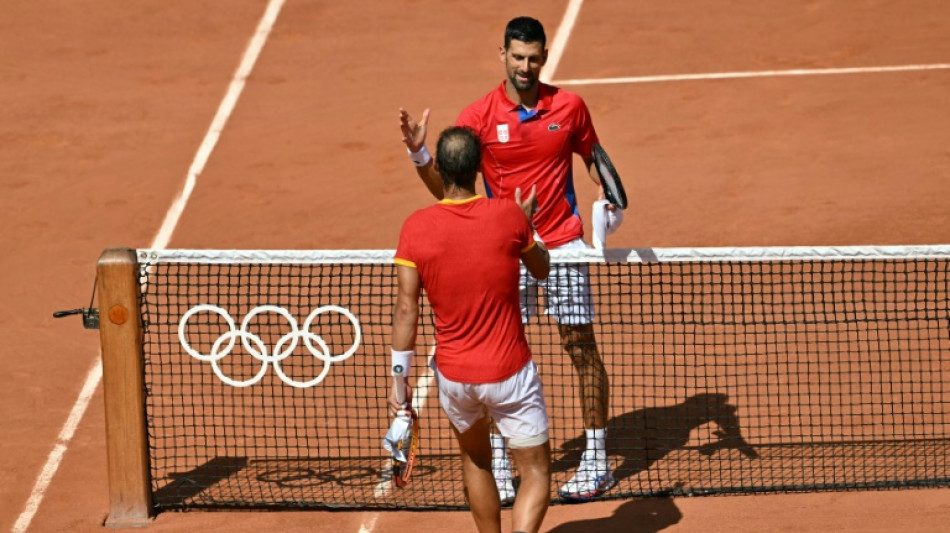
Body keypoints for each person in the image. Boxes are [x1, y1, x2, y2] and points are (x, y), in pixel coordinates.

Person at [397, 16, 615, 502]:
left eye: (534, 58)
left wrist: (605, 186)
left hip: (562, 245)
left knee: (581, 348)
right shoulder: (478, 116)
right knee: (494, 353)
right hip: (502, 249)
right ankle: (498, 465)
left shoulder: (570, 107)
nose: (525, 66)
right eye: (517, 57)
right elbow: (451, 193)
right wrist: (419, 156)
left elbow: (592, 152)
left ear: (543, 56)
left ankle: (597, 460)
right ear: (503, 55)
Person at [389, 126, 552, 533]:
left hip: (455, 379)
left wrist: (400, 389)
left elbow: (407, 309)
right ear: (478, 167)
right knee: (534, 470)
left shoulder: (415, 227)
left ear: (440, 169)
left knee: (477, 460)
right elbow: (542, 268)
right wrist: (524, 225)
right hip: (510, 373)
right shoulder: (508, 217)